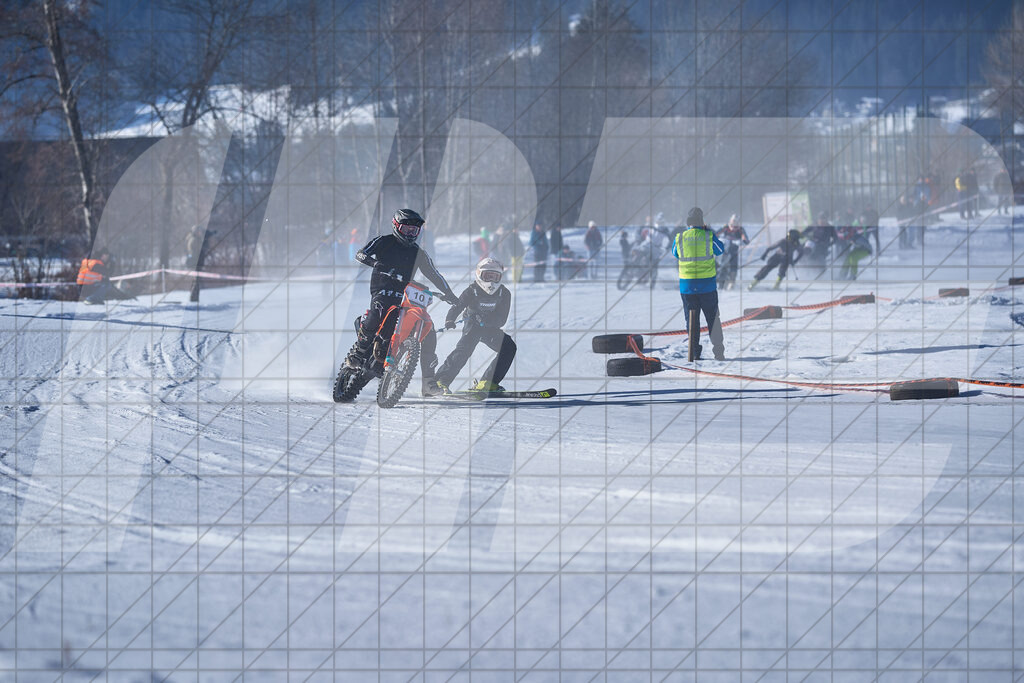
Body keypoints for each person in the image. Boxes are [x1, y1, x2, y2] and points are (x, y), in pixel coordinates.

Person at [344, 208, 458, 395]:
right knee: (379, 311)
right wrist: (375, 263)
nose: (411, 234)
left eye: (415, 231)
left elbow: (435, 275)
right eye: (407, 230)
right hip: (382, 290)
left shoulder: (418, 253)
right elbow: (361, 254)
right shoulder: (384, 241)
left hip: (405, 295)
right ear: (396, 226)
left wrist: (450, 294)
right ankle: (359, 352)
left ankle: (428, 381)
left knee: (427, 330)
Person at [432, 257, 517, 394]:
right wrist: (450, 320)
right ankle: (440, 381)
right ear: (479, 275)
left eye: (495, 277)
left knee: (509, 347)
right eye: (487, 276)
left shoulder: (504, 293)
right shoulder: (472, 290)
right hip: (473, 326)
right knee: (464, 350)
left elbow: (502, 320)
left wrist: (487, 320)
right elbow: (458, 306)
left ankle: (488, 382)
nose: (491, 280)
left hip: (491, 328)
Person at [673, 207, 725, 361]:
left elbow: (675, 253)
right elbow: (720, 250)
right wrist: (708, 231)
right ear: (702, 221)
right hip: (707, 286)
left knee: (692, 321)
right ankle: (719, 352)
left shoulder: (680, 237)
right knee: (713, 319)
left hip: (687, 288)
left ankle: (694, 352)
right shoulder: (708, 236)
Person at [716, 214, 749, 290]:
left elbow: (745, 239)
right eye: (733, 221)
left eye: (736, 221)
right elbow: (716, 234)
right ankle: (721, 284)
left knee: (733, 267)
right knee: (723, 266)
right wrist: (722, 239)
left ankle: (731, 283)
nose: (734, 223)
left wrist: (742, 241)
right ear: (730, 220)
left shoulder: (740, 229)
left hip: (734, 251)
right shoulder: (726, 227)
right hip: (725, 251)